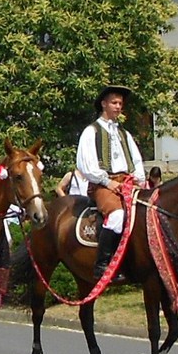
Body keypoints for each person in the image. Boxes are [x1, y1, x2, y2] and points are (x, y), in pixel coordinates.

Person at [76, 84, 146, 283]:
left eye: (120, 104)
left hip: (128, 182)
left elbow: (137, 160)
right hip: (103, 184)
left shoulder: (124, 134)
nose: (118, 107)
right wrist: (107, 181)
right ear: (103, 104)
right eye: (114, 103)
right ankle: (102, 265)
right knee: (117, 215)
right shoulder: (91, 132)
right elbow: (86, 165)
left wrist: (139, 180)